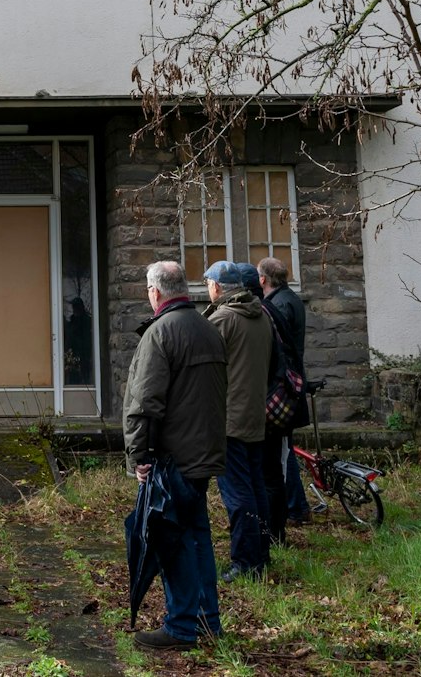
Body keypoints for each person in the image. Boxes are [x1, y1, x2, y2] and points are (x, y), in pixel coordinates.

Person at [124, 260, 227, 650]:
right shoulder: (207, 327)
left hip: (173, 459)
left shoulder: (161, 333)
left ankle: (182, 626)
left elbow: (144, 403)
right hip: (202, 454)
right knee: (197, 538)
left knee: (171, 540)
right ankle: (207, 621)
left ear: (155, 292)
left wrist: (139, 456)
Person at [202, 261, 274, 581]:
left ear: (217, 287)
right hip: (255, 416)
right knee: (256, 488)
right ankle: (261, 556)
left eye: (208, 284)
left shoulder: (223, 319)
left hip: (228, 419)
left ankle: (245, 563)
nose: (207, 290)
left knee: (237, 494)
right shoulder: (261, 317)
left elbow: (201, 367)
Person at [258, 256, 309, 526]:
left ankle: (296, 506)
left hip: (284, 388)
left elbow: (281, 351)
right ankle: (295, 505)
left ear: (263, 279)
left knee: (282, 452)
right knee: (283, 450)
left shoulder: (278, 305)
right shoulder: (290, 299)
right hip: (290, 384)